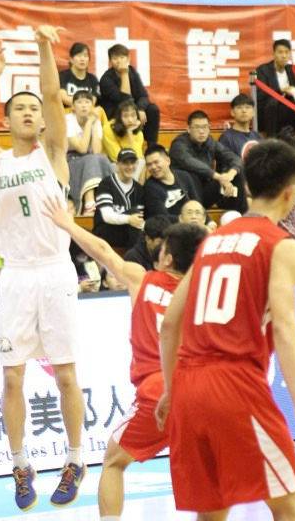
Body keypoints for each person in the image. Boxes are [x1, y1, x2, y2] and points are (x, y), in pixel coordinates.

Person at [156, 139, 295, 520]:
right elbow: (284, 325)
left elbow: (169, 324)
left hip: (188, 388)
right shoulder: (283, 246)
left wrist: (170, 389)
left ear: (246, 186)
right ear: (291, 192)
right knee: (290, 504)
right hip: (235, 385)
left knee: (211, 513)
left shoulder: (211, 241)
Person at [0, 27, 86, 510]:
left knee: (66, 375)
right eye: (20, 108)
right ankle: (19, 464)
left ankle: (75, 459)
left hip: (54, 271)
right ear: (8, 119)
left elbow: (52, 95)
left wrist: (44, 47)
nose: (30, 112)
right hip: (15, 274)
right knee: (12, 377)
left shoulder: (53, 154)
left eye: (34, 108)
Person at [43, 195, 207, 521]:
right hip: (201, 391)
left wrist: (68, 224)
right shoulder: (203, 295)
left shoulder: (141, 279)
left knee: (114, 462)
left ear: (167, 258)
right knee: (221, 468)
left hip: (157, 391)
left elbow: (103, 251)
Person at [170, 110, 248, 213]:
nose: (201, 131)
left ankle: (241, 214)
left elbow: (234, 158)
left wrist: (230, 175)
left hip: (205, 193)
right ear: (188, 129)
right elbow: (191, 163)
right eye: (197, 127)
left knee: (237, 173)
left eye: (205, 127)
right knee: (190, 175)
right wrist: (218, 177)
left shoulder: (210, 142)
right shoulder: (179, 145)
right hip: (186, 195)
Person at [256, 38, 295, 150]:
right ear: (274, 54)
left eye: (287, 52)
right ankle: (272, 140)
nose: (284, 56)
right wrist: (282, 90)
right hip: (272, 110)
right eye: (280, 52)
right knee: (272, 102)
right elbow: (260, 95)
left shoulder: (292, 69)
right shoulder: (263, 70)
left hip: (291, 108)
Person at [100, 43, 159, 147]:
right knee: (128, 112)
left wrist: (140, 109)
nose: (119, 61)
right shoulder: (106, 79)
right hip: (116, 113)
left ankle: (152, 146)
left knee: (152, 109)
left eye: (122, 57)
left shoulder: (132, 71)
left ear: (128, 58)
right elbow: (124, 101)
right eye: (115, 58)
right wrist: (124, 73)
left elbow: (143, 96)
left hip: (132, 110)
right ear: (110, 61)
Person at [66, 90, 112, 215]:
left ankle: (107, 203)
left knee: (103, 160)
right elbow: (82, 148)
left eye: (87, 102)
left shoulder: (95, 121)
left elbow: (97, 151)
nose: (84, 105)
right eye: (79, 102)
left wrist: (93, 124)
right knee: (92, 160)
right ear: (73, 107)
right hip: (70, 161)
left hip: (90, 160)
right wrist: (89, 123)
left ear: (92, 106)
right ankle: (89, 204)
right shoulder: (68, 121)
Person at [93, 148, 145, 249]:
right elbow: (107, 216)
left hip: (127, 234)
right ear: (117, 165)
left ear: (137, 164)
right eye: (125, 163)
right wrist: (129, 219)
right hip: (105, 232)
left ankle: (135, 255)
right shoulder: (106, 184)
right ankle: (134, 256)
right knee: (134, 214)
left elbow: (140, 220)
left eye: (132, 163)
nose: (130, 167)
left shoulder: (139, 189)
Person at [143, 143, 199, 220]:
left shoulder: (184, 176)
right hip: (171, 226)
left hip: (191, 222)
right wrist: (187, 220)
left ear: (168, 161)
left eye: (156, 162)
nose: (153, 167)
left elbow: (197, 203)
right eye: (149, 164)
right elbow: (163, 218)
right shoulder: (149, 188)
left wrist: (209, 222)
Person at [102, 99, 145, 165]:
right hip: (111, 164)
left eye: (133, 115)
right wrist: (127, 135)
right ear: (119, 118)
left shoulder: (138, 133)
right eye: (125, 116)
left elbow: (138, 156)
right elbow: (116, 157)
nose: (130, 120)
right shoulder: (108, 128)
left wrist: (129, 133)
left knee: (141, 162)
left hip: (131, 164)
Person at [219, 92, 262, 158]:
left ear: (253, 112)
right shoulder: (226, 138)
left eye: (247, 107)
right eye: (239, 107)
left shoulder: (257, 136)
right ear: (232, 112)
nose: (244, 110)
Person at [59, 42, 100, 109]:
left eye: (85, 56)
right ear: (71, 59)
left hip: (86, 112)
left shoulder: (93, 79)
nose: (82, 59)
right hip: (67, 112)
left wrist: (81, 106)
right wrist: (82, 105)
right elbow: (63, 97)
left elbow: (93, 100)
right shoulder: (62, 76)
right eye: (79, 56)